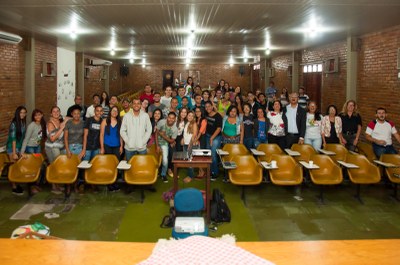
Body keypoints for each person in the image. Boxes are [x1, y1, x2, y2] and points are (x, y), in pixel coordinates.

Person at [45, 106, 71, 194]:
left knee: (60, 165)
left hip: (60, 146)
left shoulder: (60, 120)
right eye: (54, 111)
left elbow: (72, 117)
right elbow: (52, 138)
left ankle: (58, 185)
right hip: (51, 147)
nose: (56, 113)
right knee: (54, 166)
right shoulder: (50, 123)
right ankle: (54, 186)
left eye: (57, 111)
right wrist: (61, 128)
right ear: (51, 113)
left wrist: (65, 120)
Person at [100, 105, 123, 192]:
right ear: (110, 111)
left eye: (116, 111)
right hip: (107, 145)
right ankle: (109, 183)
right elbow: (101, 135)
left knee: (116, 164)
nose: (115, 112)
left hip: (117, 145)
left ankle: (115, 182)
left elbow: (121, 135)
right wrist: (102, 147)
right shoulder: (105, 121)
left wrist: (121, 146)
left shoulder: (119, 121)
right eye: (113, 111)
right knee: (109, 164)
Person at [7, 106, 27, 195]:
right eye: (21, 113)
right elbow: (13, 139)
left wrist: (21, 151)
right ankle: (14, 187)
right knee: (13, 168)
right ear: (17, 113)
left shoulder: (23, 122)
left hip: (19, 147)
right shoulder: (14, 123)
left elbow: (22, 138)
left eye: (24, 113)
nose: (22, 114)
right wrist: (14, 153)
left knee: (17, 167)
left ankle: (16, 184)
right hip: (12, 148)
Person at [156, 112, 178, 183]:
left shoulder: (175, 129)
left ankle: (163, 174)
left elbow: (172, 141)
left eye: (173, 118)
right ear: (167, 117)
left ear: (175, 119)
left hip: (164, 144)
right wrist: (157, 145)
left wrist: (163, 135)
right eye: (169, 117)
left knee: (165, 160)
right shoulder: (161, 122)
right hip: (155, 142)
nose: (170, 119)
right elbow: (156, 133)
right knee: (153, 158)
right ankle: (154, 173)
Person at [204, 101, 222, 181]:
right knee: (208, 154)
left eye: (209, 106)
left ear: (212, 106)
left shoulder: (218, 116)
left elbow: (219, 128)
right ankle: (210, 171)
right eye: (206, 107)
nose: (207, 108)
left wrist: (212, 138)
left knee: (213, 154)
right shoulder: (206, 115)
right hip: (208, 136)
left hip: (216, 137)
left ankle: (215, 172)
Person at [182, 111, 199, 183]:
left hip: (190, 144)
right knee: (187, 159)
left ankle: (190, 176)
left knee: (190, 160)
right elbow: (186, 133)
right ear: (187, 116)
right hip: (186, 143)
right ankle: (189, 174)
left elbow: (194, 135)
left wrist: (190, 144)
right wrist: (183, 139)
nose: (190, 117)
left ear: (194, 117)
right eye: (189, 115)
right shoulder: (187, 123)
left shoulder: (194, 124)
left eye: (192, 116)